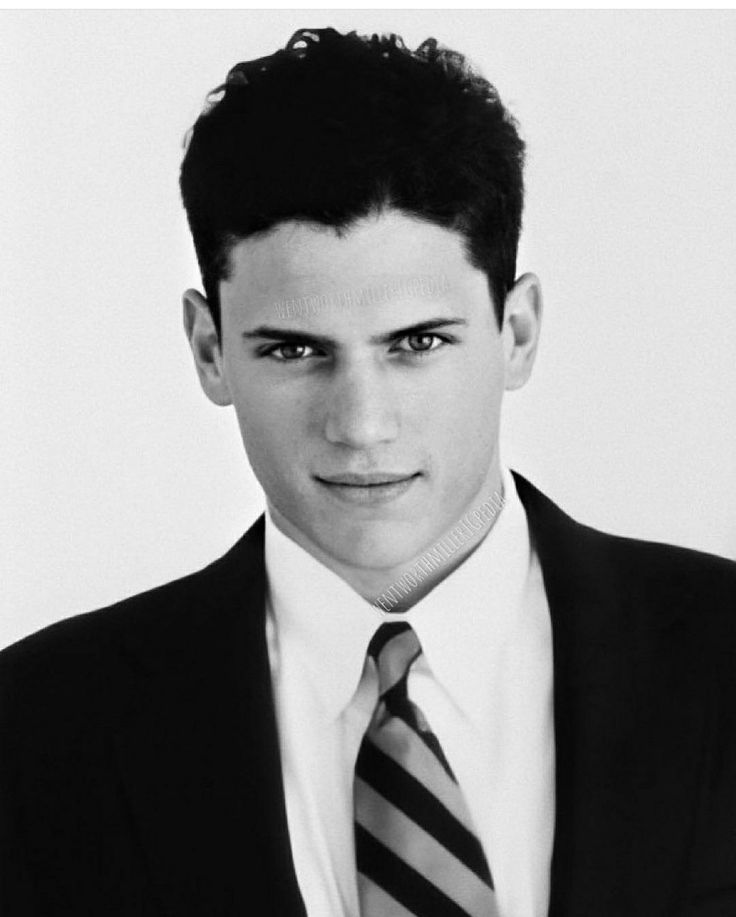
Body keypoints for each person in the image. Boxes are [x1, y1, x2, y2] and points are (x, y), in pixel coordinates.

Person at [1, 25, 734, 917]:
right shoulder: (37, 734)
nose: (359, 423)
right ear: (208, 349)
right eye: (295, 349)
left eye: (417, 343)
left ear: (519, 331)